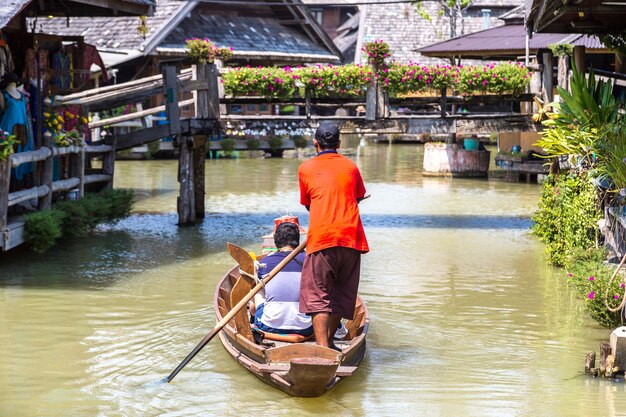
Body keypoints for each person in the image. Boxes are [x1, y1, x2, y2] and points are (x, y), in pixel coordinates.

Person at [298, 122, 369, 350]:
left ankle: (323, 350)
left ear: (315, 143)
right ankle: (328, 344)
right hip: (351, 238)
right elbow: (357, 195)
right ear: (339, 144)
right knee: (340, 293)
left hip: (322, 239)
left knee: (318, 295)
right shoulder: (351, 167)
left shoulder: (306, 168)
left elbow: (309, 203)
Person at [251, 222, 313, 340]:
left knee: (258, 288)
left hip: (268, 326)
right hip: (306, 327)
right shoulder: (311, 260)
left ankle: (254, 319)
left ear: (276, 241)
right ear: (297, 241)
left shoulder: (266, 262)